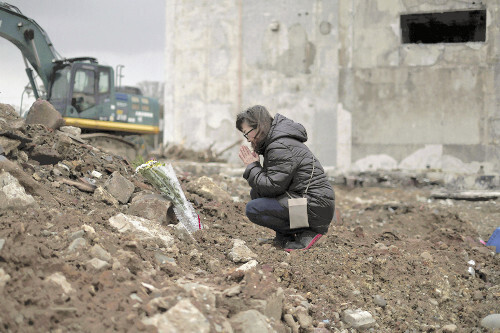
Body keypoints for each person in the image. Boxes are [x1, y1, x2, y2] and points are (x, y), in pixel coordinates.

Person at [236, 105, 335, 250]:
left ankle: (307, 233)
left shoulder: (279, 146)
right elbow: (271, 186)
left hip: (315, 206)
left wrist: (252, 166)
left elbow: (271, 187)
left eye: (247, 133)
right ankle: (284, 238)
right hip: (313, 203)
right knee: (256, 194)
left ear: (259, 126)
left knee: (253, 209)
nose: (248, 139)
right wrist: (256, 166)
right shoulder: (277, 143)